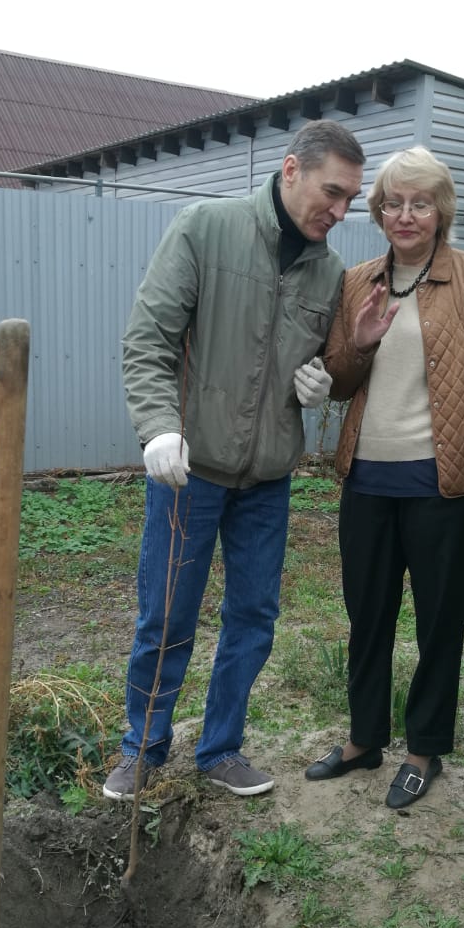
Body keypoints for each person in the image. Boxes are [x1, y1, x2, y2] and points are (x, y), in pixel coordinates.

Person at [103, 120, 365, 802]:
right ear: (291, 170)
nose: (340, 212)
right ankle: (142, 747)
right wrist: (159, 428)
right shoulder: (205, 229)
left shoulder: (328, 272)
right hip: (189, 473)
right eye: (332, 193)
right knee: (166, 616)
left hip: (267, 481)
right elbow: (148, 340)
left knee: (252, 619)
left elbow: (323, 362)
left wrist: (319, 382)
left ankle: (220, 749)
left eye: (349, 200)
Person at [304, 146, 464, 808]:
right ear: (378, 212)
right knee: (367, 617)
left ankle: (424, 749)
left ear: (440, 210)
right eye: (393, 203)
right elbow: (341, 382)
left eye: (419, 203)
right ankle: (364, 738)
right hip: (367, 480)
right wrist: (360, 342)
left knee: (438, 624)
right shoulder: (358, 280)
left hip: (442, 487)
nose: (405, 215)